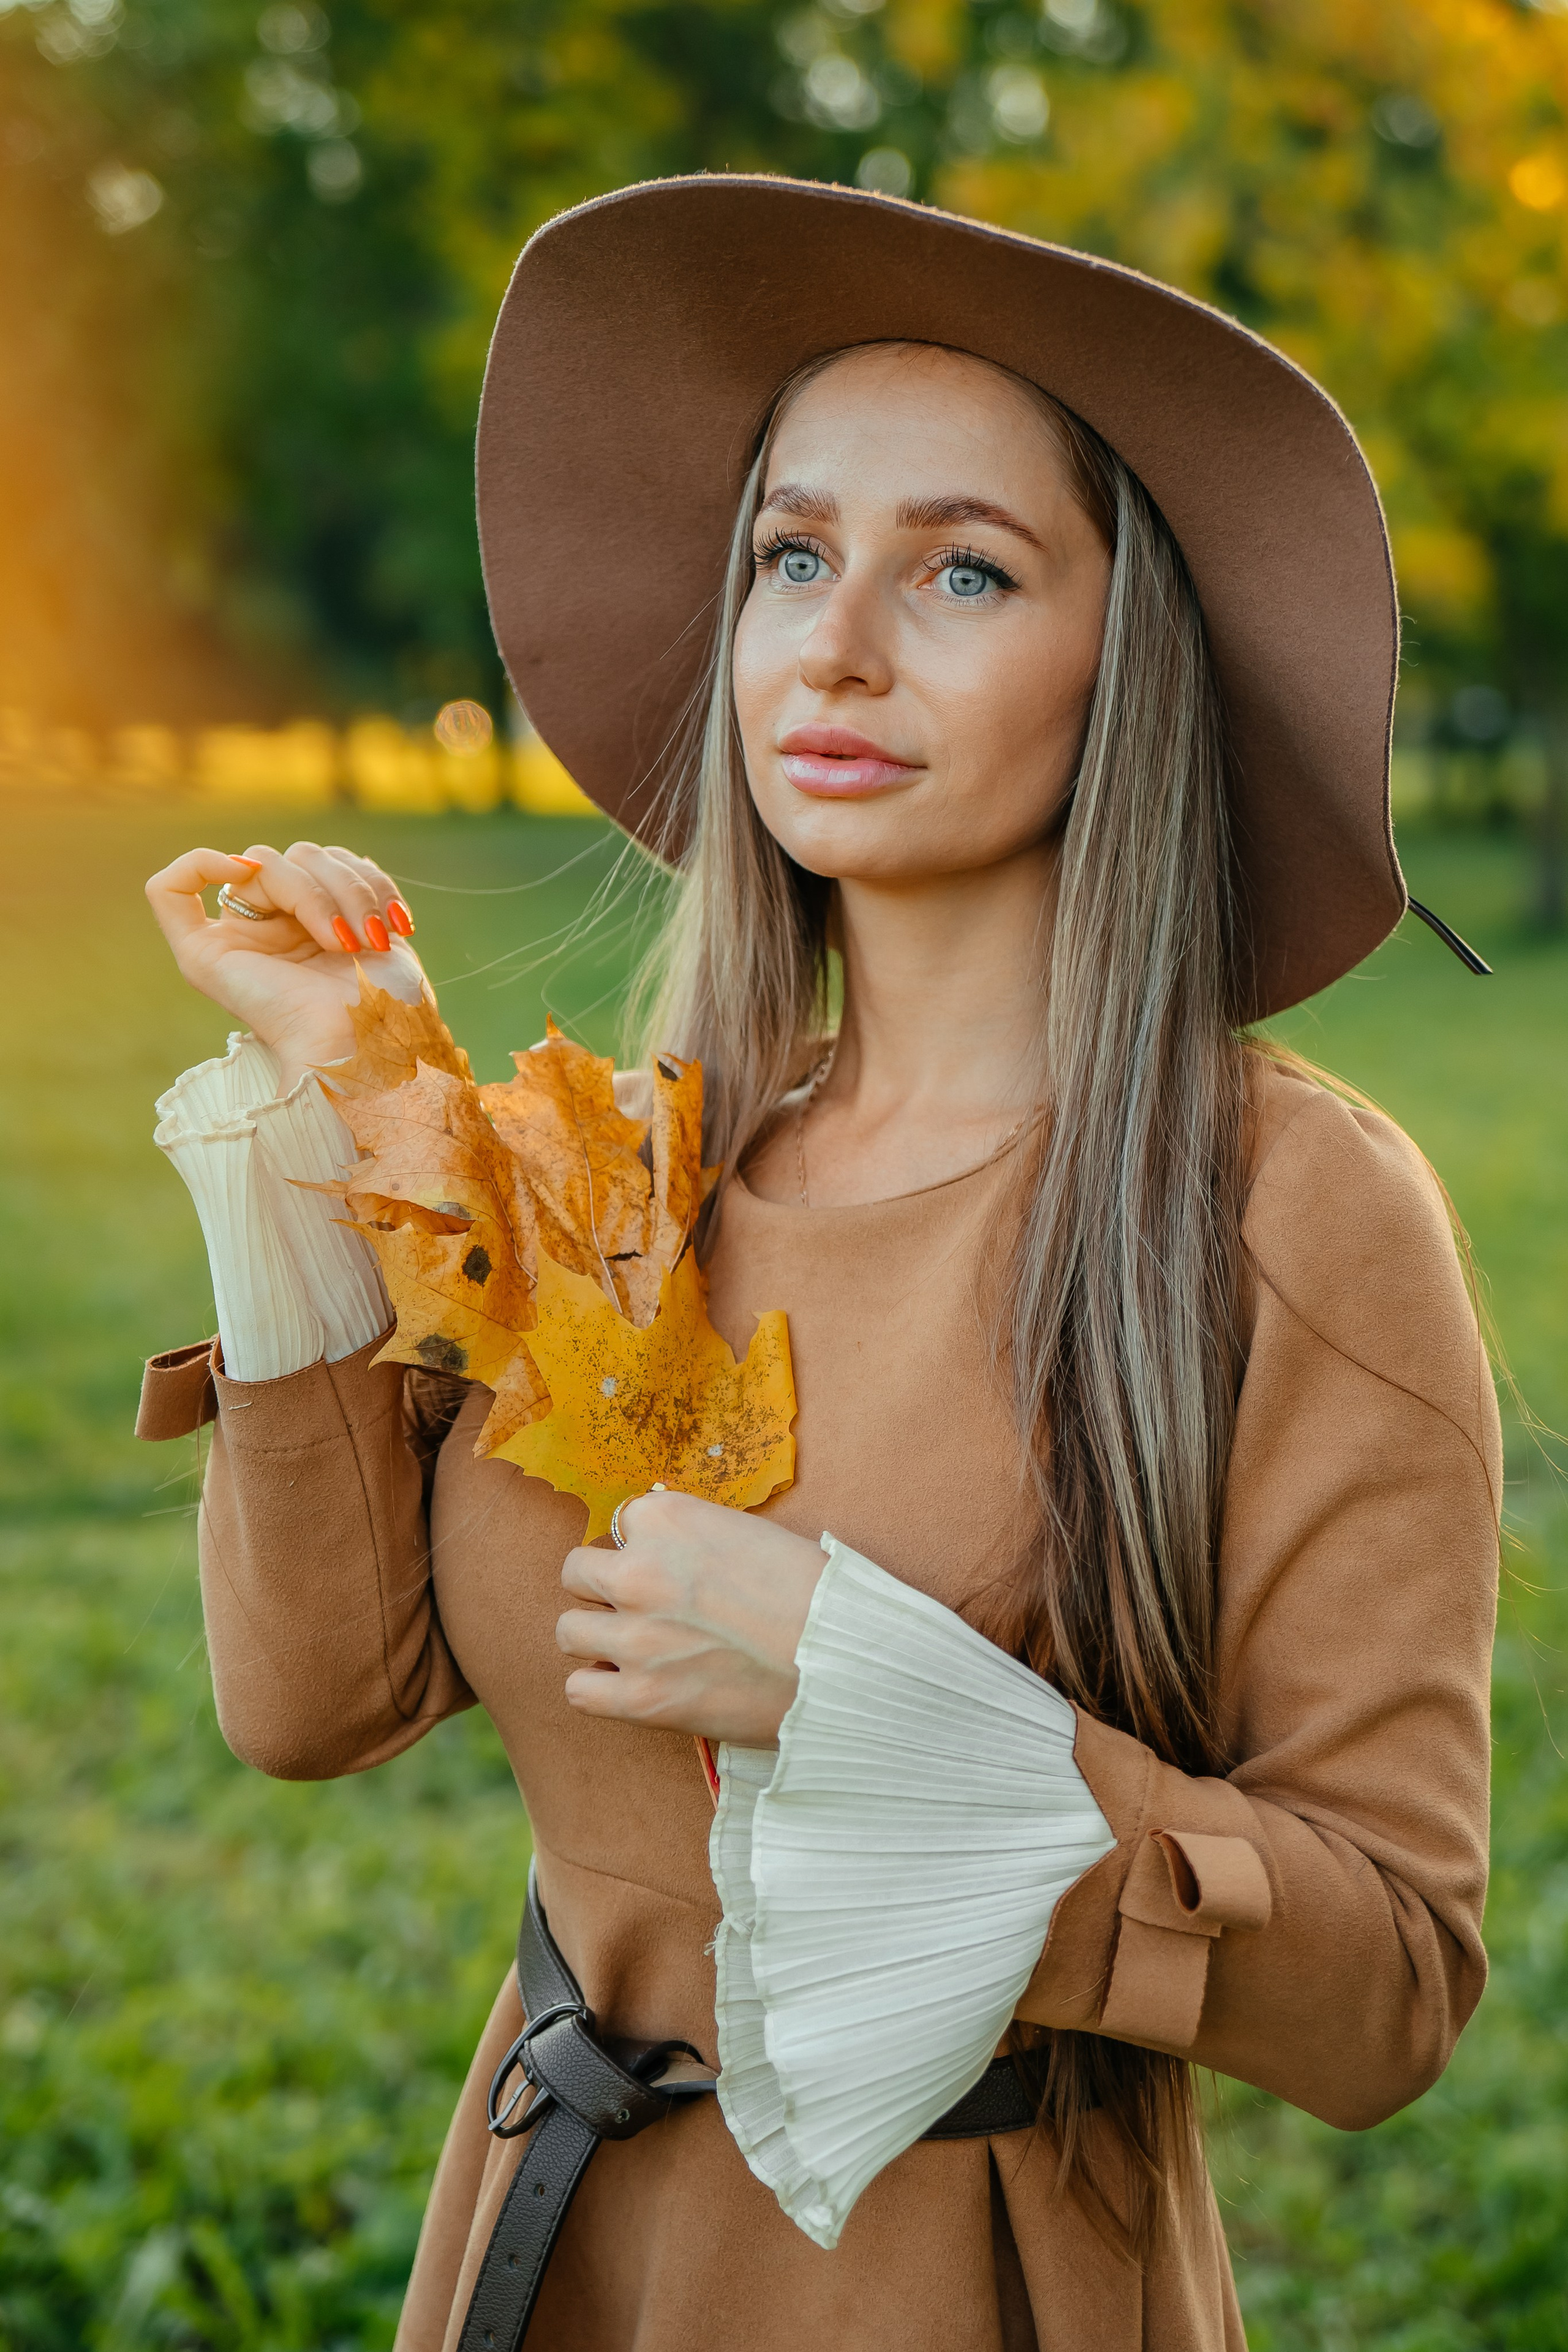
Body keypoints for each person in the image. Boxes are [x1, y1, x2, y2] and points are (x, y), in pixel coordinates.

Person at [138, 177, 1501, 2352]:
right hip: (544, 2248)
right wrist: (332, 1116)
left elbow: (1391, 1992)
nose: (837, 644)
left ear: (1126, 651)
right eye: (793, 554)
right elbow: (309, 1707)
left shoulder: (1289, 1210)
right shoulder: (622, 1170)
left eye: (962, 568)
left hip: (966, 2282)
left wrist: (897, 1727)